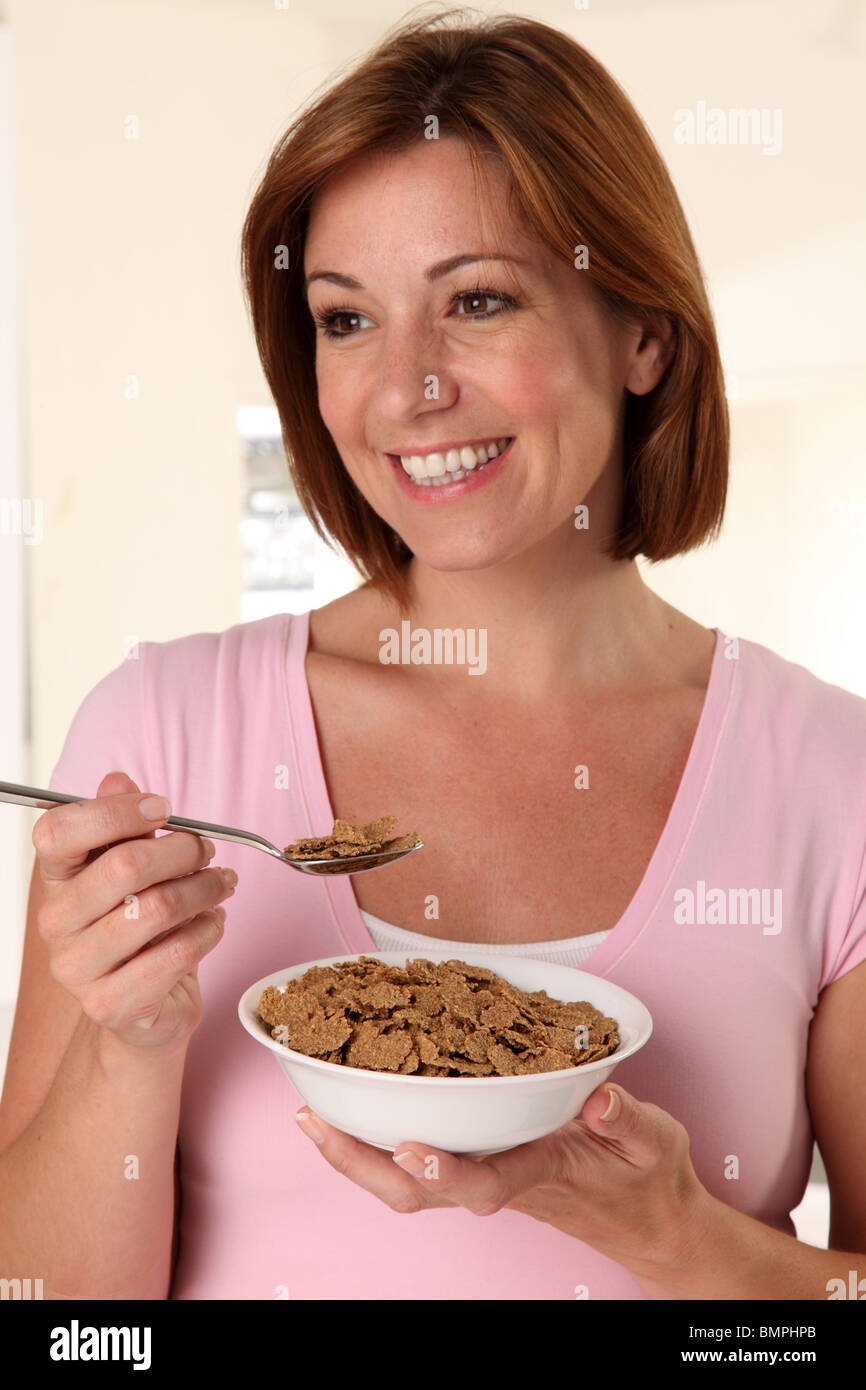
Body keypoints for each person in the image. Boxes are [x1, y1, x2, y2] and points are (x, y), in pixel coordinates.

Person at [1, 9, 864, 1301]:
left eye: (474, 300)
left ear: (644, 334)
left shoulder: (832, 781)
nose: (404, 387)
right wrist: (127, 1048)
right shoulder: (159, 737)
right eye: (345, 320)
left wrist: (671, 1231)